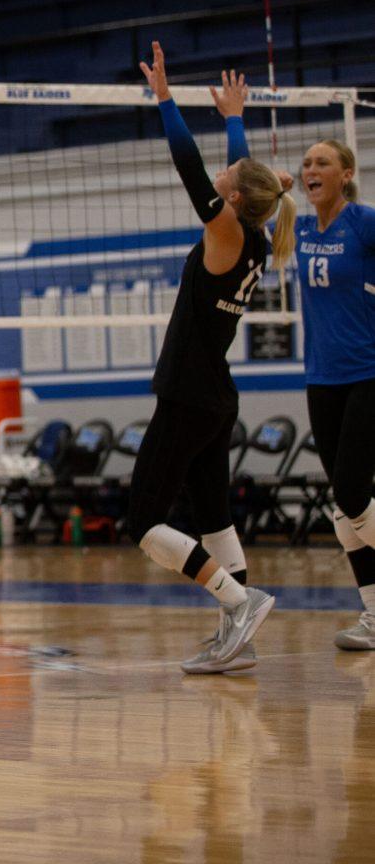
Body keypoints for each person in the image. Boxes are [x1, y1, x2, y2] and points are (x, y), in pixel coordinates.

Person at [127, 47, 294, 674]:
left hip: (191, 395)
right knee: (214, 516)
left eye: (230, 181)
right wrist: (232, 117)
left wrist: (165, 98)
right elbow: (239, 174)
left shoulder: (226, 231)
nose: (223, 180)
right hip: (213, 395)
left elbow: (193, 169)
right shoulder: (249, 231)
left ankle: (238, 599)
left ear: (233, 198)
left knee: (143, 520)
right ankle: (238, 638)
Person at [287, 133, 375, 649]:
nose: (310, 169)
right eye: (306, 163)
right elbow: (242, 193)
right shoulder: (296, 228)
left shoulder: (362, 222)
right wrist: (234, 122)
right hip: (321, 380)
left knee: (350, 494)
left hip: (367, 375)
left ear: (346, 174)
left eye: (322, 162)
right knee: (345, 511)